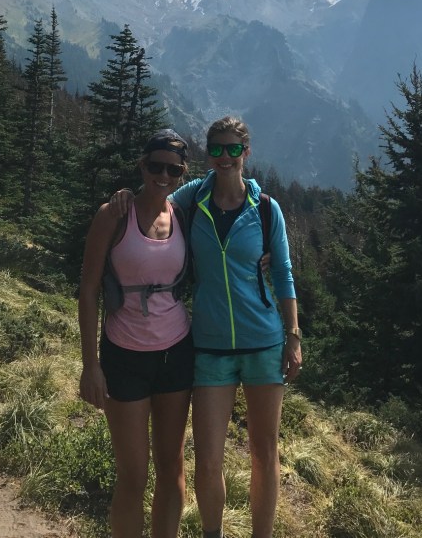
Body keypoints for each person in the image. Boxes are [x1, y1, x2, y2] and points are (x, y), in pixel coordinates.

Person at [113, 116, 301, 538]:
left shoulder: (267, 209)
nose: (225, 156)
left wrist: (293, 336)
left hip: (264, 343)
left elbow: (285, 274)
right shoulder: (190, 198)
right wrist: (125, 196)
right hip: (210, 347)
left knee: (263, 452)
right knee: (209, 458)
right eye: (216, 148)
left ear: (246, 153)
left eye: (234, 149)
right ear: (208, 153)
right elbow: (155, 197)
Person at [78, 129, 194, 538]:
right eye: (155, 166)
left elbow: (227, 183)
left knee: (172, 467)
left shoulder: (182, 214)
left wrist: (264, 254)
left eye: (173, 169)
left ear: (182, 174)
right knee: (133, 477)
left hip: (177, 354)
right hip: (124, 357)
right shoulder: (113, 214)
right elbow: (88, 289)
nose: (163, 176)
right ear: (142, 166)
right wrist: (90, 365)